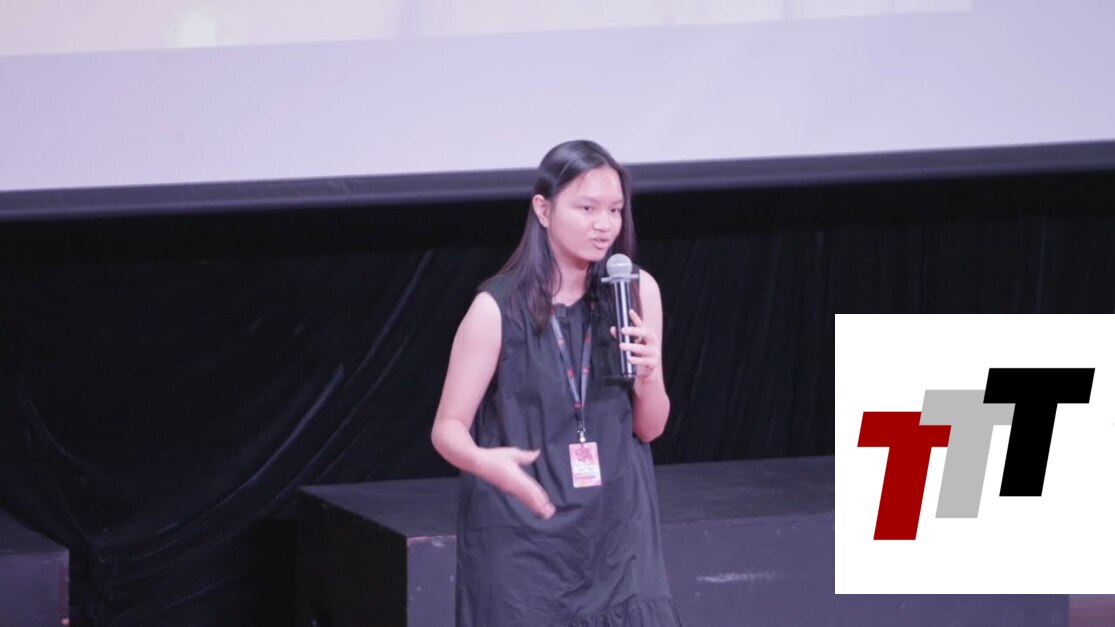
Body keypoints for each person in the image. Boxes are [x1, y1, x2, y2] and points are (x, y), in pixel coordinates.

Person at [431, 140, 683, 626]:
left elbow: (650, 428)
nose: (604, 224)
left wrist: (649, 377)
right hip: (525, 545)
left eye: (615, 210)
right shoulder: (496, 310)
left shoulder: (635, 292)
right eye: (587, 208)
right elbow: (447, 427)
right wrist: (483, 461)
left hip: (619, 541)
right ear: (543, 210)